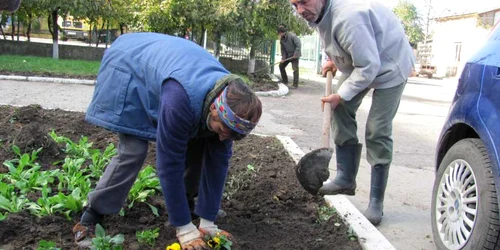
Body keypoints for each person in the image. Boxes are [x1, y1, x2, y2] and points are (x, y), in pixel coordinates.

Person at [72, 32, 263, 249]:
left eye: (229, 135)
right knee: (133, 151)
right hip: (129, 68)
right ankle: (92, 215)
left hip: (168, 71)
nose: (223, 137)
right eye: (222, 129)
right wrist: (183, 227)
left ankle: (188, 204)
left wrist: (208, 220)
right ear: (214, 108)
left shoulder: (232, 105)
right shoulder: (180, 100)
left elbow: (218, 163)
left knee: (204, 142)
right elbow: (169, 162)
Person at [290, 0, 414, 225]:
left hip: (388, 66)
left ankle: (376, 201)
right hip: (362, 63)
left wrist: (341, 94)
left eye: (304, 1)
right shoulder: (319, 13)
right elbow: (335, 38)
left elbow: (369, 65)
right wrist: (332, 59)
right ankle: (346, 178)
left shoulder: (349, 17)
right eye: (294, 4)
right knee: (339, 107)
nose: (299, 10)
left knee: (377, 129)